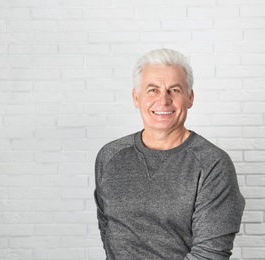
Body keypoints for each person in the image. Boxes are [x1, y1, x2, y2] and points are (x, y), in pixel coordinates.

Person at [94, 48, 245, 260]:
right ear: (136, 98)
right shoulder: (110, 156)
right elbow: (107, 228)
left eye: (174, 90)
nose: (163, 101)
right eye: (152, 90)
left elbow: (210, 255)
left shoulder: (213, 164)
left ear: (190, 98)